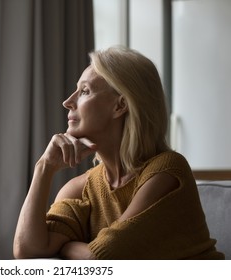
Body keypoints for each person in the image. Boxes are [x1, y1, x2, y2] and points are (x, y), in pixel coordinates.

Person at [13, 46, 225, 260]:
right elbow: (27, 250)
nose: (68, 102)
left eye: (85, 91)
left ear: (120, 105)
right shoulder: (80, 189)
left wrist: (65, 247)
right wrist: (44, 168)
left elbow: (106, 258)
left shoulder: (167, 171)